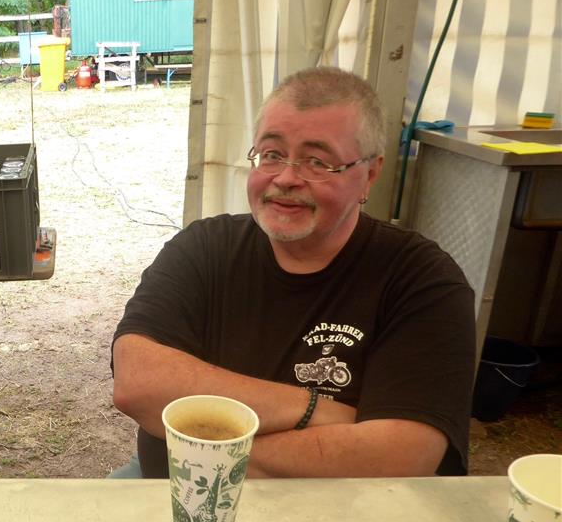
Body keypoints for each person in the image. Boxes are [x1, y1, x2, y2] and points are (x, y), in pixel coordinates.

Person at [112, 66, 475, 479]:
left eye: (317, 162)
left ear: (369, 175)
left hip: (334, 513)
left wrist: (202, 442)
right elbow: (137, 381)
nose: (286, 178)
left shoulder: (422, 281)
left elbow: (402, 456)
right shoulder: (203, 248)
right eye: (271, 154)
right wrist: (314, 409)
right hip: (171, 494)